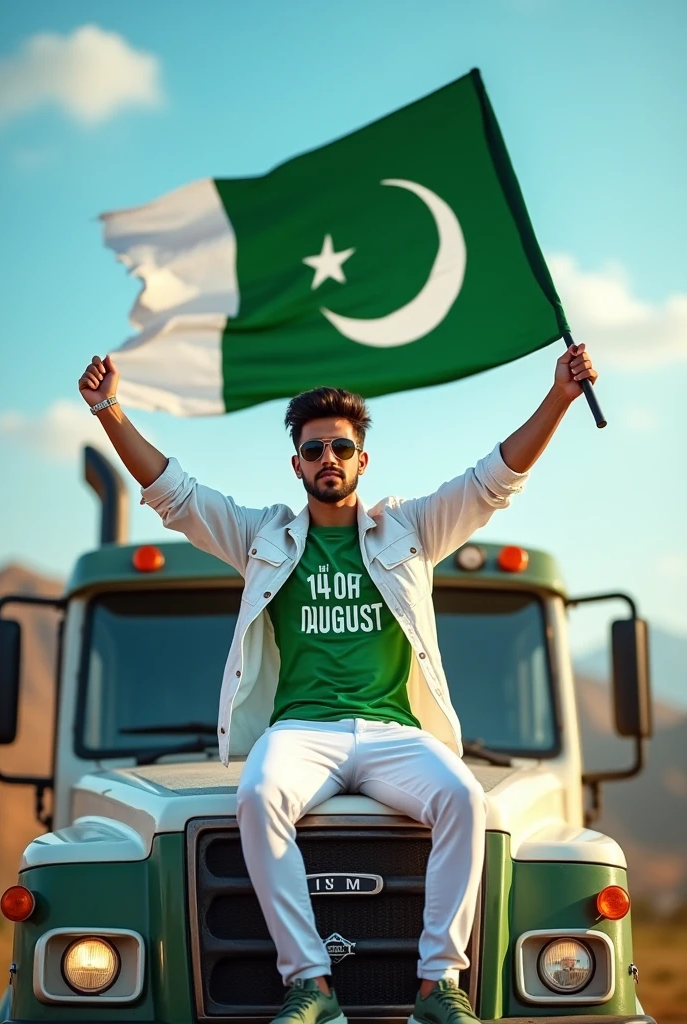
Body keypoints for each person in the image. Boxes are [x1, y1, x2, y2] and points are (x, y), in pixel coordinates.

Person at [78, 345, 598, 1024]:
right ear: (296, 463)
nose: (329, 457)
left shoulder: (410, 529)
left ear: (362, 460)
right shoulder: (264, 537)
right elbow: (175, 495)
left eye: (341, 446)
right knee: (258, 793)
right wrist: (108, 409)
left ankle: (438, 986)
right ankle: (311, 986)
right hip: (302, 733)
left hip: (393, 734)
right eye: (314, 447)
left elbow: (492, 480)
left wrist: (559, 396)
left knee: (465, 800)